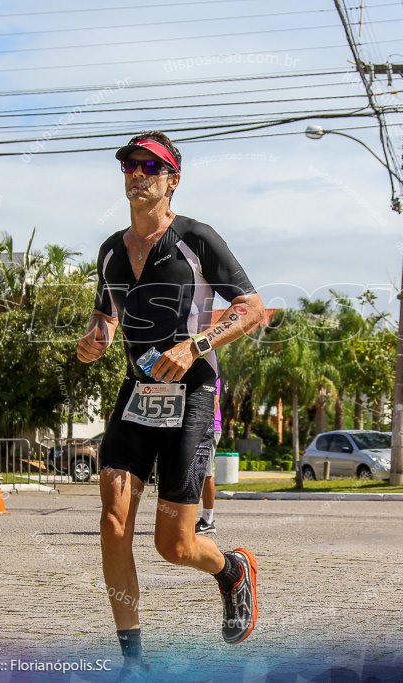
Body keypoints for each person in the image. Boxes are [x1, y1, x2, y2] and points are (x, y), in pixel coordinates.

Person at [77, 132, 265, 680]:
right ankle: (132, 662)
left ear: (172, 179)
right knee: (114, 523)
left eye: (149, 167)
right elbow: (105, 319)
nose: (137, 174)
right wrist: (95, 339)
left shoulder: (196, 239)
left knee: (174, 545)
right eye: (129, 166)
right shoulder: (111, 249)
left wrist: (195, 345)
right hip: (137, 396)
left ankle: (231, 569)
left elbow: (252, 309)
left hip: (193, 394)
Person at [195, 378, 221, 535]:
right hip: (199, 427)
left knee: (206, 473)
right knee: (198, 474)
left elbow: (214, 403)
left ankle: (208, 520)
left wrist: (203, 428)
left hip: (209, 427)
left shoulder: (212, 374)